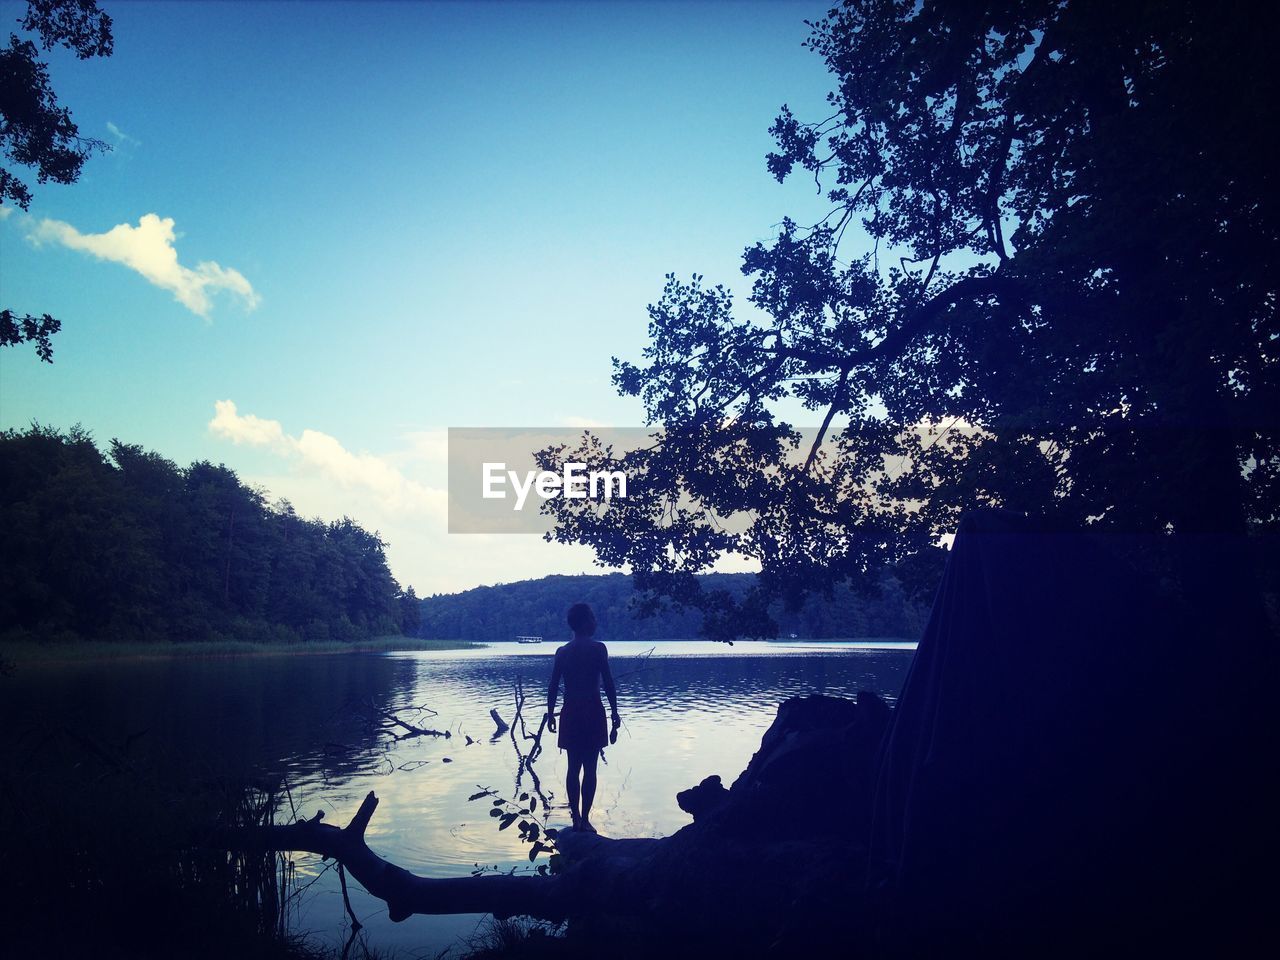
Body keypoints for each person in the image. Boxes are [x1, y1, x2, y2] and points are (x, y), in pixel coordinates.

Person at [546, 602, 619, 833]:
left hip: (570, 711)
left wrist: (550, 714)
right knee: (590, 768)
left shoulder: (562, 652)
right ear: (586, 622)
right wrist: (615, 711)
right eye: (593, 618)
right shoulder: (599, 649)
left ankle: (576, 819)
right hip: (593, 709)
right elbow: (608, 683)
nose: (596, 622)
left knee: (572, 768)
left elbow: (552, 686)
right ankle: (585, 819)